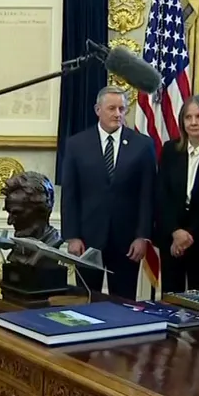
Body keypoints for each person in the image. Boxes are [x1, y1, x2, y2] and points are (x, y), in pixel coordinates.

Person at [59, 85, 156, 297]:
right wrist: (72, 236)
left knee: (123, 302)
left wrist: (142, 236)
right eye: (112, 108)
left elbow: (147, 195)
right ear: (97, 110)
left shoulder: (143, 145)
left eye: (122, 109)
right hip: (87, 240)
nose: (118, 114)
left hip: (127, 242)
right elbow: (70, 194)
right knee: (86, 301)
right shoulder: (76, 144)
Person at [154, 94, 199, 294]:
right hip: (171, 237)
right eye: (188, 117)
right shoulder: (170, 150)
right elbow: (162, 194)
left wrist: (189, 234)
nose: (193, 122)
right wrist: (175, 232)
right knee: (171, 295)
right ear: (182, 121)